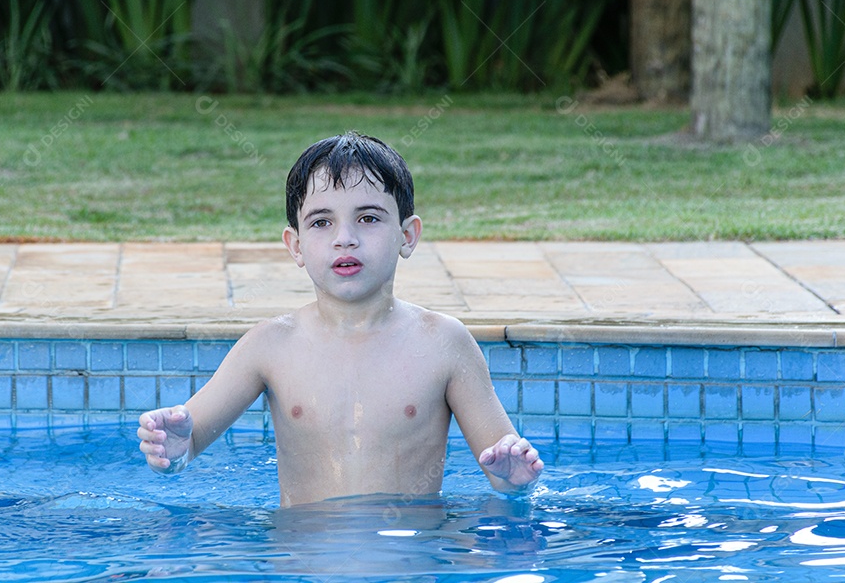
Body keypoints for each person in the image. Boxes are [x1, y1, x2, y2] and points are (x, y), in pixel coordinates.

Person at [138, 131, 543, 507]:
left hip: (408, 560)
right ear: (295, 245)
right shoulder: (269, 346)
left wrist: (515, 476)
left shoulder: (444, 343)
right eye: (321, 222)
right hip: (302, 562)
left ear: (407, 236)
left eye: (368, 218)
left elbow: (501, 465)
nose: (344, 237)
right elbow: (188, 441)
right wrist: (172, 449)